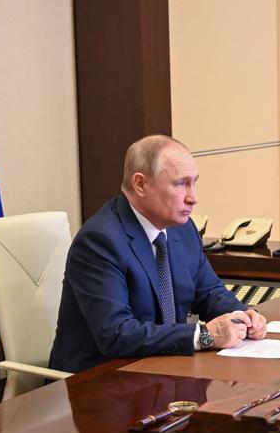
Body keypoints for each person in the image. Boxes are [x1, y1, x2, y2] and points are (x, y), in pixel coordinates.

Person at [49, 135, 267, 373]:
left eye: (194, 183)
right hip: (101, 381)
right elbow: (116, 333)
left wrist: (243, 315)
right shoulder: (100, 241)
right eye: (181, 184)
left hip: (163, 373)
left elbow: (209, 292)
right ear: (141, 184)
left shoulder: (182, 229)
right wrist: (205, 335)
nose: (193, 198)